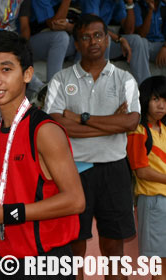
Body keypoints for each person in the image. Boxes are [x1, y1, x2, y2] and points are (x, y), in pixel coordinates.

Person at [0, 30, 85, 279]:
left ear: (27, 74)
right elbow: (4, 195)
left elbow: (75, 200)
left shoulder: (44, 130)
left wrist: (5, 214)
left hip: (47, 261)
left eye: (6, 69)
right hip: (7, 259)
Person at [44, 14, 140, 280]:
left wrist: (81, 118)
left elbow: (131, 122)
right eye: (85, 37)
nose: (93, 41)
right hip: (74, 170)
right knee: (75, 246)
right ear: (76, 44)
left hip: (115, 169)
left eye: (98, 35)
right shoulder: (60, 80)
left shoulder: (125, 80)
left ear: (108, 39)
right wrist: (112, 123)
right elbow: (56, 125)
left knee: (114, 247)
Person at [127, 75, 166, 280]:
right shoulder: (138, 131)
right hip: (153, 201)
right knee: (158, 264)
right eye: (156, 99)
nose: (161, 105)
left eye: (165, 100)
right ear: (144, 100)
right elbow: (140, 170)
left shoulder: (164, 129)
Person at [79, 0, 149, 84]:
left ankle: (146, 88)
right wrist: (119, 39)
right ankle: (101, 85)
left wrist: (129, 4)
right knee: (105, 38)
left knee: (136, 40)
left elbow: (129, 30)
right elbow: (94, 26)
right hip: (84, 43)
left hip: (103, 43)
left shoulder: (117, 2)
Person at [23, 0, 77, 82]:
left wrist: (70, 27)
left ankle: (83, 85)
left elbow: (90, 26)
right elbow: (55, 25)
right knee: (61, 37)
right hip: (35, 43)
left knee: (86, 36)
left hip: (63, 46)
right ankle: (54, 88)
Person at [134, 0, 166, 74]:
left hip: (160, 45)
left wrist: (165, 47)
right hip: (145, 45)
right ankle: (146, 83)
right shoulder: (138, 6)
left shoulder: (164, 7)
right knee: (141, 42)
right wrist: (150, 11)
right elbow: (142, 34)